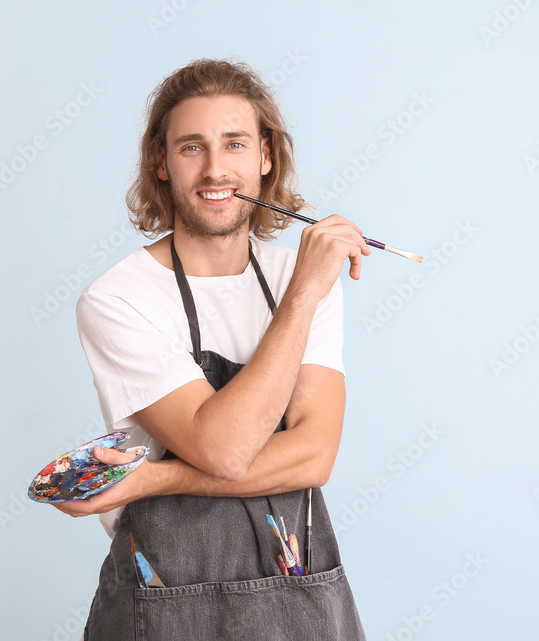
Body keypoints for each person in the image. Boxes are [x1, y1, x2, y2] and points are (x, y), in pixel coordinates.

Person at [56, 58, 369, 639]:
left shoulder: (303, 275)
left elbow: (313, 457)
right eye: (192, 147)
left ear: (265, 156)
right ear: (162, 162)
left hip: (298, 589)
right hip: (166, 601)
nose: (216, 168)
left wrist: (154, 480)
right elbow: (222, 447)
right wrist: (301, 296)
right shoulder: (117, 298)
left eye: (235, 144)